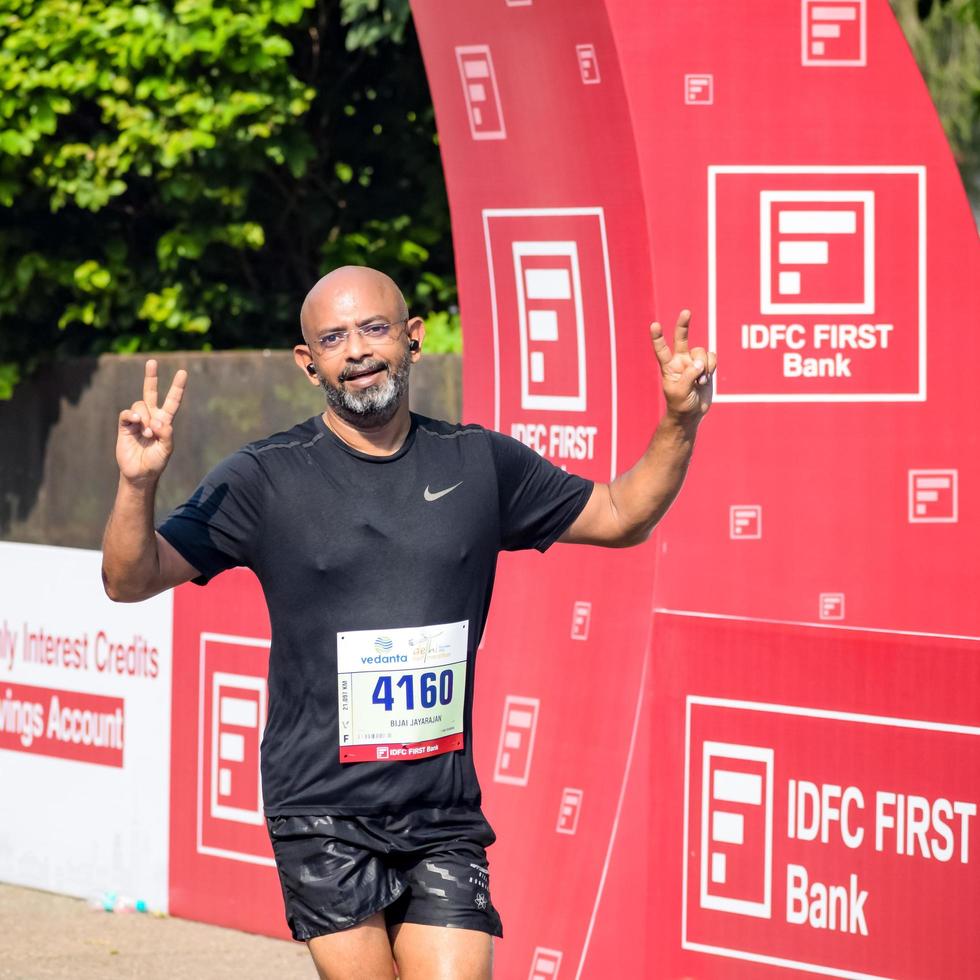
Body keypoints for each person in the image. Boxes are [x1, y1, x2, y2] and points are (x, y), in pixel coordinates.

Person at [101, 265, 716, 980]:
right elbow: (128, 578)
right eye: (333, 338)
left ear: (413, 337)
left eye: (374, 328)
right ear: (309, 364)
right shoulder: (262, 479)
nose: (356, 350)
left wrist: (678, 420)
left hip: (441, 812)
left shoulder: (479, 462)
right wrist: (138, 484)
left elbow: (620, 514)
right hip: (321, 808)